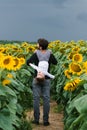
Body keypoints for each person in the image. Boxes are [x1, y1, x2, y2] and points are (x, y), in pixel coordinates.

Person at [26, 38, 57, 126]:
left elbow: (28, 62)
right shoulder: (49, 54)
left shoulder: (36, 54)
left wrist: (34, 58)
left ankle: (36, 120)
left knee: (36, 99)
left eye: (37, 44)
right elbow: (55, 62)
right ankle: (46, 121)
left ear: (40, 46)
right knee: (46, 99)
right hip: (46, 79)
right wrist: (50, 54)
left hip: (36, 79)